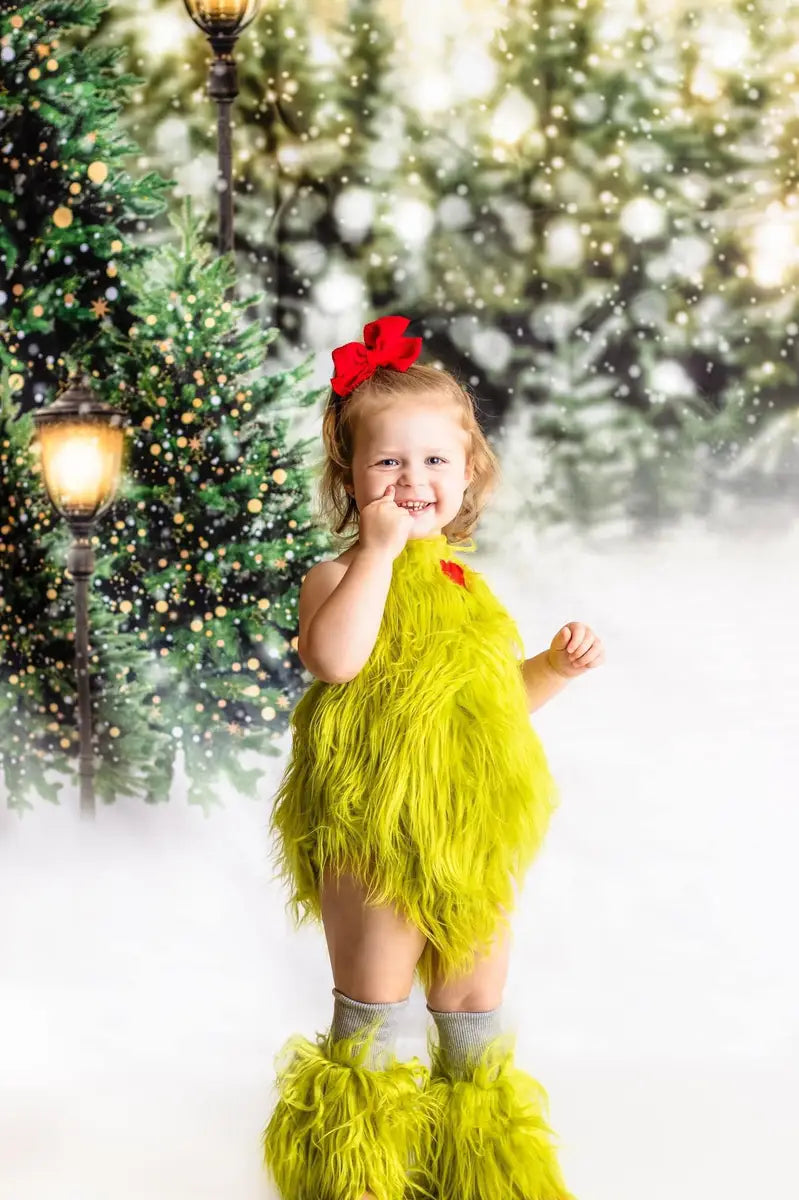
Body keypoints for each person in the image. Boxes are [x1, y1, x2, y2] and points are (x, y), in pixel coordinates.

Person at [261, 315, 605, 1200]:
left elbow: (494, 702)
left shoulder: (468, 588)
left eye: (433, 462)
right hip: (373, 827)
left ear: (467, 474)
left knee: (472, 1010)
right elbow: (337, 659)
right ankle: (355, 1172)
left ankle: (476, 1170)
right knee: (373, 1003)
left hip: (471, 834)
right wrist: (376, 551)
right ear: (349, 476)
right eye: (387, 464)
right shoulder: (337, 577)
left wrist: (551, 673)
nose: (412, 481)